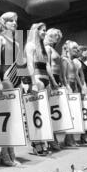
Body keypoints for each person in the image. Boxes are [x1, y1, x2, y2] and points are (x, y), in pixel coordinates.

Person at [0, 12, 22, 166]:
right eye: (10, 21)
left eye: (15, 21)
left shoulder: (16, 43)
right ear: (4, 23)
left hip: (16, 81)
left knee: (14, 118)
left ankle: (11, 151)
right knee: (6, 118)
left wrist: (23, 83)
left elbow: (18, 65)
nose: (14, 23)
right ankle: (4, 152)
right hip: (5, 79)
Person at [25, 23, 57, 155]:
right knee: (35, 113)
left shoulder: (43, 47)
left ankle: (43, 140)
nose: (44, 32)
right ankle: (36, 143)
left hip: (46, 79)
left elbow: (48, 65)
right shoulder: (30, 45)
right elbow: (29, 64)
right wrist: (33, 82)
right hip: (37, 78)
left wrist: (53, 81)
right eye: (42, 30)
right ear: (36, 31)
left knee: (44, 113)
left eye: (45, 30)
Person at [44, 28, 65, 150]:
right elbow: (47, 65)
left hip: (56, 79)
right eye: (55, 35)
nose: (57, 38)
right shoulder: (47, 48)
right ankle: (50, 139)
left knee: (53, 111)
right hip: (51, 79)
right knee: (49, 110)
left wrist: (60, 80)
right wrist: (52, 81)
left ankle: (53, 138)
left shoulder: (52, 48)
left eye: (58, 36)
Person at [61, 40, 83, 146]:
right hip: (68, 85)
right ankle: (68, 139)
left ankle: (70, 138)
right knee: (68, 114)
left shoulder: (73, 61)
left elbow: (77, 75)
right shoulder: (64, 60)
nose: (77, 50)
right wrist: (67, 86)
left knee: (73, 113)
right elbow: (63, 75)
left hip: (74, 86)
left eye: (77, 49)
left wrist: (79, 87)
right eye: (74, 48)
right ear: (68, 49)